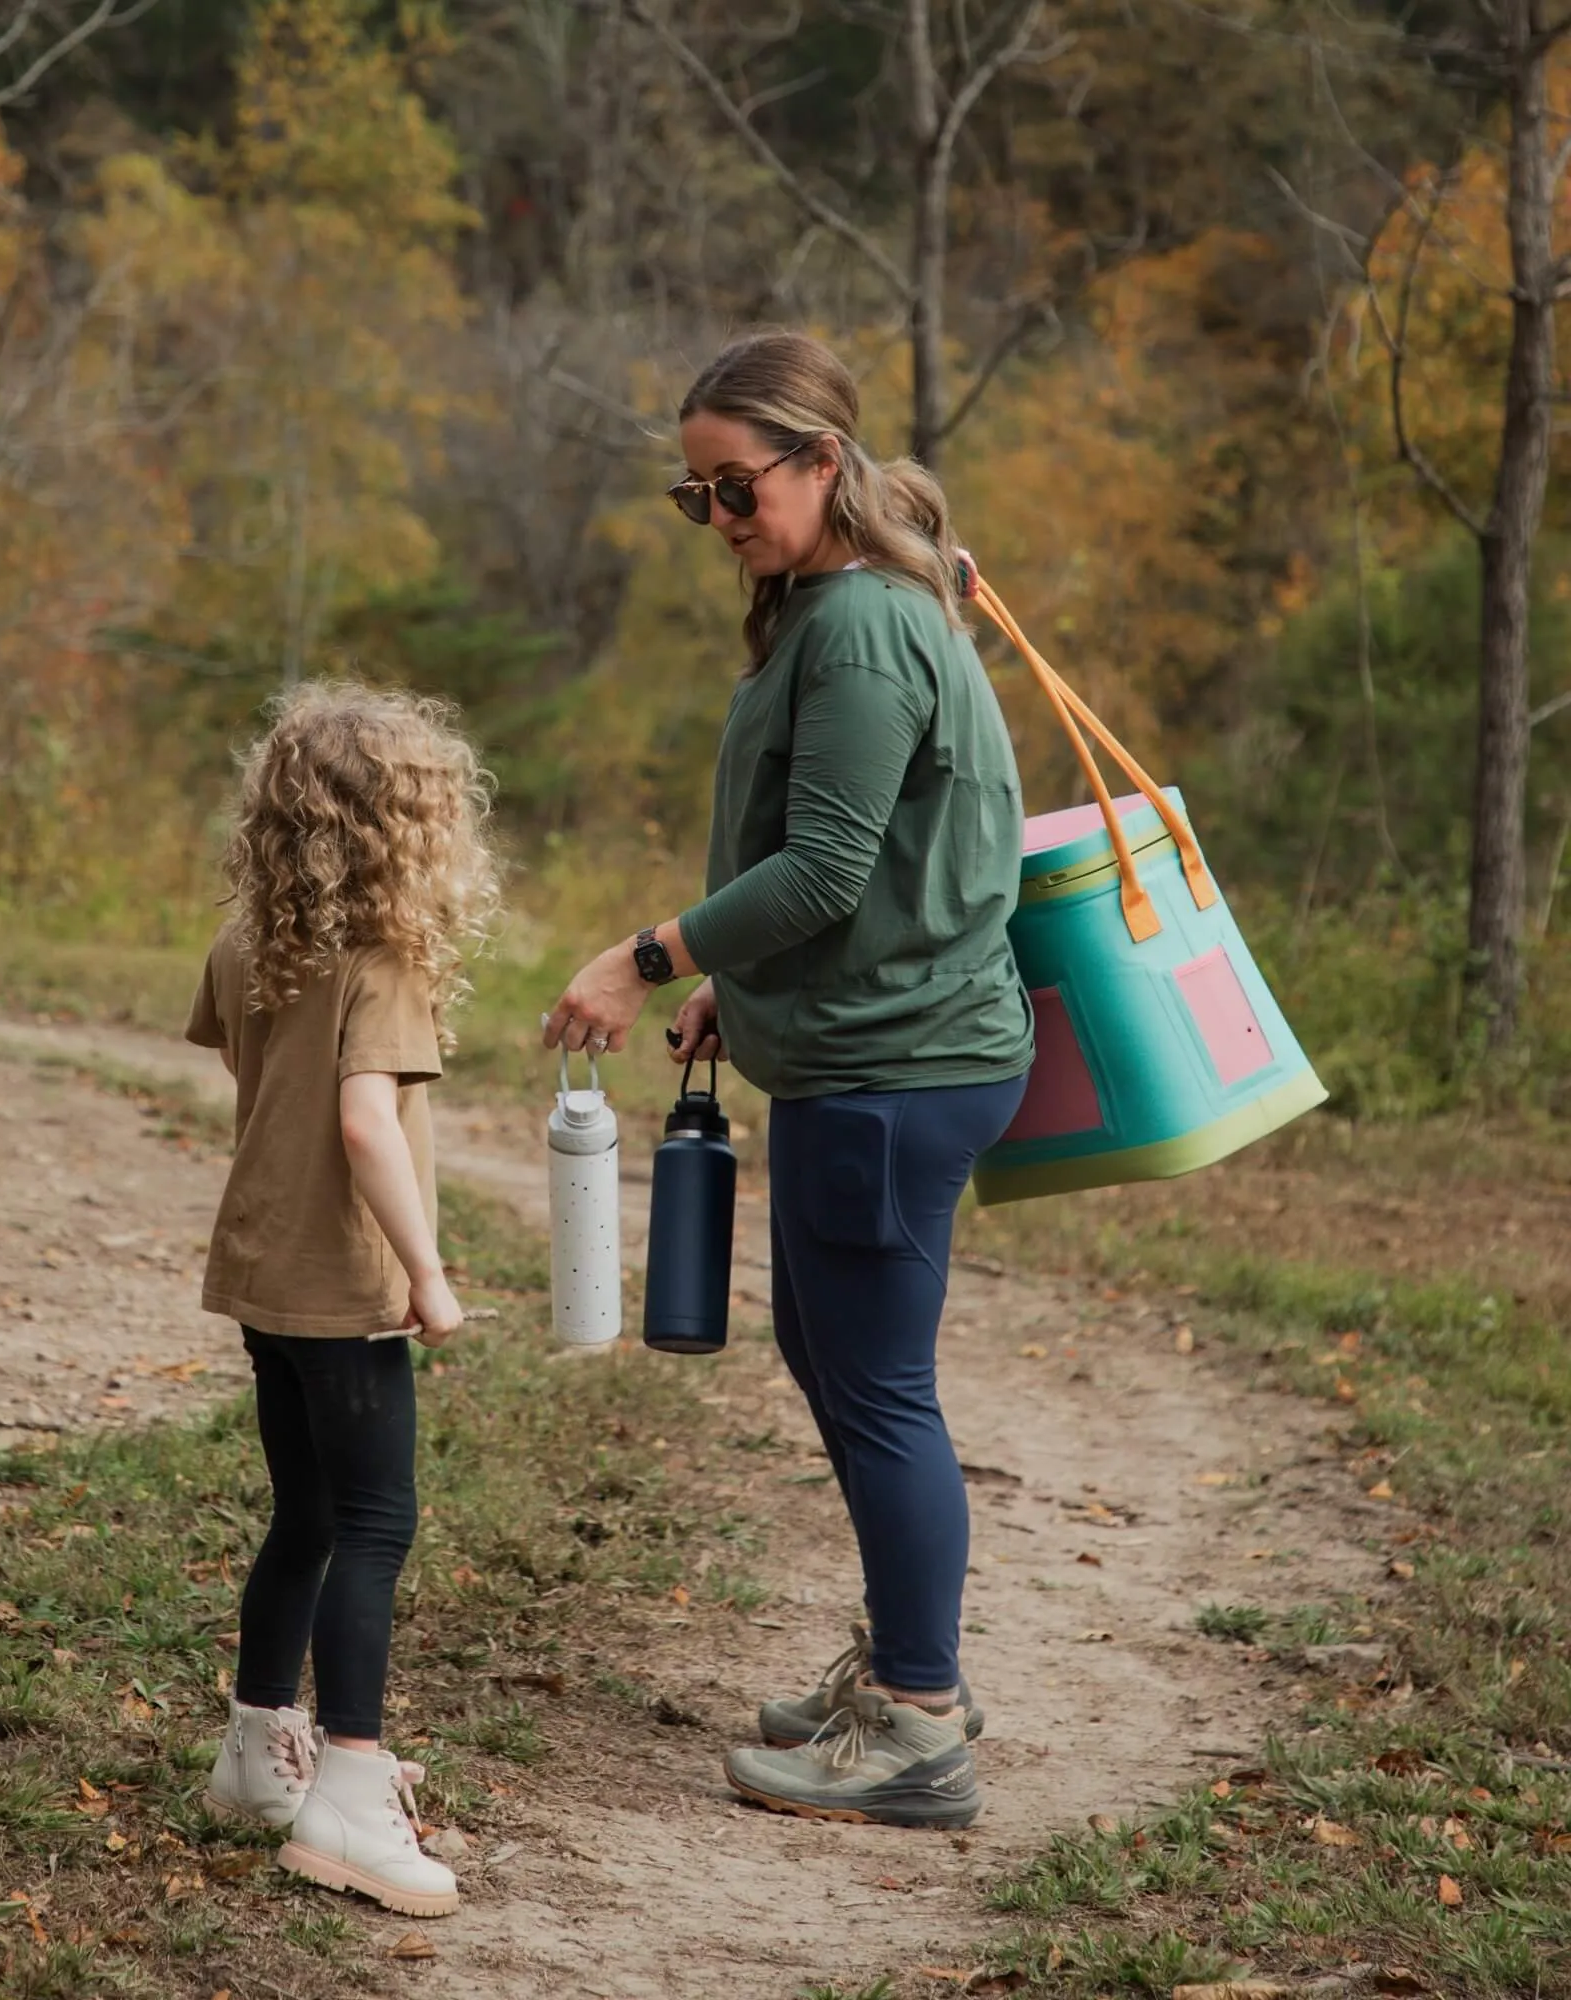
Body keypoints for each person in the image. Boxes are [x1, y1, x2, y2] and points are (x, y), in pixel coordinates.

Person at [543, 330, 1034, 1830]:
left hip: (896, 1069)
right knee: (833, 1366)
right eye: (697, 498)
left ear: (824, 461)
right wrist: (728, 988)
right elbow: (849, 865)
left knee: (879, 1392)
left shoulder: (868, 627)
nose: (723, 520)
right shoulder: (837, 606)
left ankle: (921, 1727)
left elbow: (823, 870)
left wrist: (646, 956)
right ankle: (902, 1666)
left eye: (739, 486)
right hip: (861, 1051)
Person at [186, 681, 499, 1916]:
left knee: (304, 1513)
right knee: (375, 1521)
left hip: (264, 1267)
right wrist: (424, 1273)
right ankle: (352, 1796)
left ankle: (257, 1752)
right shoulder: (381, 960)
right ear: (404, 828)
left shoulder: (246, 939)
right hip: (345, 1280)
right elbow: (368, 1121)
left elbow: (242, 1062)